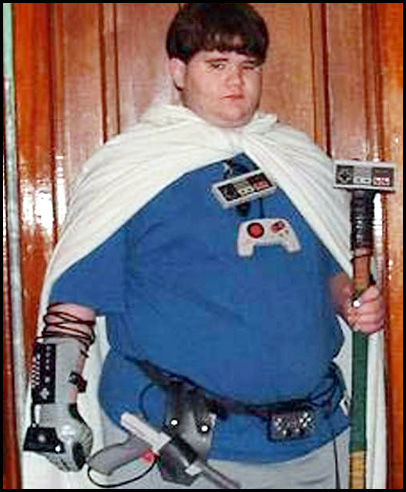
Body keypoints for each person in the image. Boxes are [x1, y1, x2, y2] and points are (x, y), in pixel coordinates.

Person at [23, 3, 386, 489]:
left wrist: (353, 301)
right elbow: (73, 307)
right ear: (179, 71)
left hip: (316, 446)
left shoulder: (296, 162)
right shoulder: (135, 171)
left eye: (248, 66)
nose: (236, 81)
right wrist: (55, 411)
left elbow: (331, 273)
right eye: (217, 65)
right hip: (182, 453)